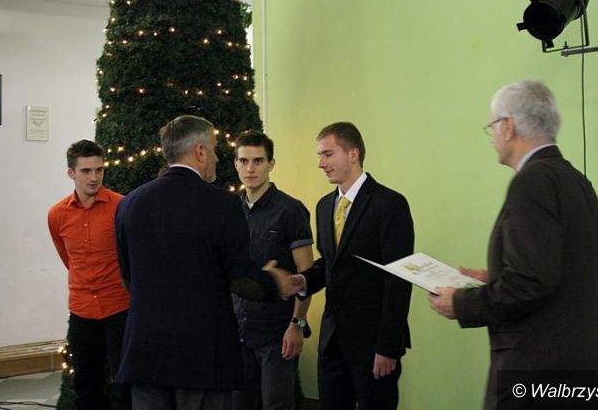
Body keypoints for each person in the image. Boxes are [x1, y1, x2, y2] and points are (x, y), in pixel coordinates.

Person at [428, 81, 598, 410]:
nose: (492, 139)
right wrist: (497, 276)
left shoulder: (532, 181)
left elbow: (531, 283)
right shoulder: (575, 180)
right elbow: (558, 269)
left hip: (537, 371)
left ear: (507, 126)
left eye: (491, 127)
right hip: (580, 364)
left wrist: (462, 303)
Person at [114, 115, 303, 410]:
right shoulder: (222, 204)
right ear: (200, 151)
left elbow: (128, 279)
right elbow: (240, 278)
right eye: (214, 148)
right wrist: (273, 282)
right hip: (201, 354)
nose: (217, 157)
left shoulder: (128, 204)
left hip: (144, 352)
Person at [297, 121, 414, 410]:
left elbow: (399, 280)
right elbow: (331, 264)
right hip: (332, 343)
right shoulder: (324, 206)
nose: (320, 163)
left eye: (327, 154)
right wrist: (303, 281)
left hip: (374, 346)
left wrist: (388, 347)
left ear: (353, 154)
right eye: (319, 155)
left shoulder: (390, 204)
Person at [231, 130, 314, 410]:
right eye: (244, 161)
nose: (250, 168)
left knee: (276, 405)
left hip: (277, 334)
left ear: (271, 164)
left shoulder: (290, 210)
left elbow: (306, 274)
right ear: (235, 164)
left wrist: (297, 325)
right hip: (238, 330)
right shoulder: (230, 210)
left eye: (258, 161)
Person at [47, 139, 131, 410]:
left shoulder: (121, 207)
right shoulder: (57, 214)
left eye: (99, 170)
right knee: (86, 387)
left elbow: (131, 256)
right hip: (82, 311)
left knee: (126, 386)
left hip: (119, 308)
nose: (94, 177)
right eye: (86, 171)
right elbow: (68, 259)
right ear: (71, 173)